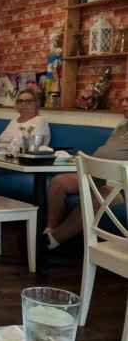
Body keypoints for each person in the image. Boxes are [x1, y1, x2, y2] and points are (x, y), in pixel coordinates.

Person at [43, 88, 128, 249]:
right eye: (121, 100)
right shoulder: (122, 125)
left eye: (127, 100)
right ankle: (49, 230)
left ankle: (53, 240)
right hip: (96, 175)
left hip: (120, 184)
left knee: (102, 196)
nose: (123, 104)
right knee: (59, 182)